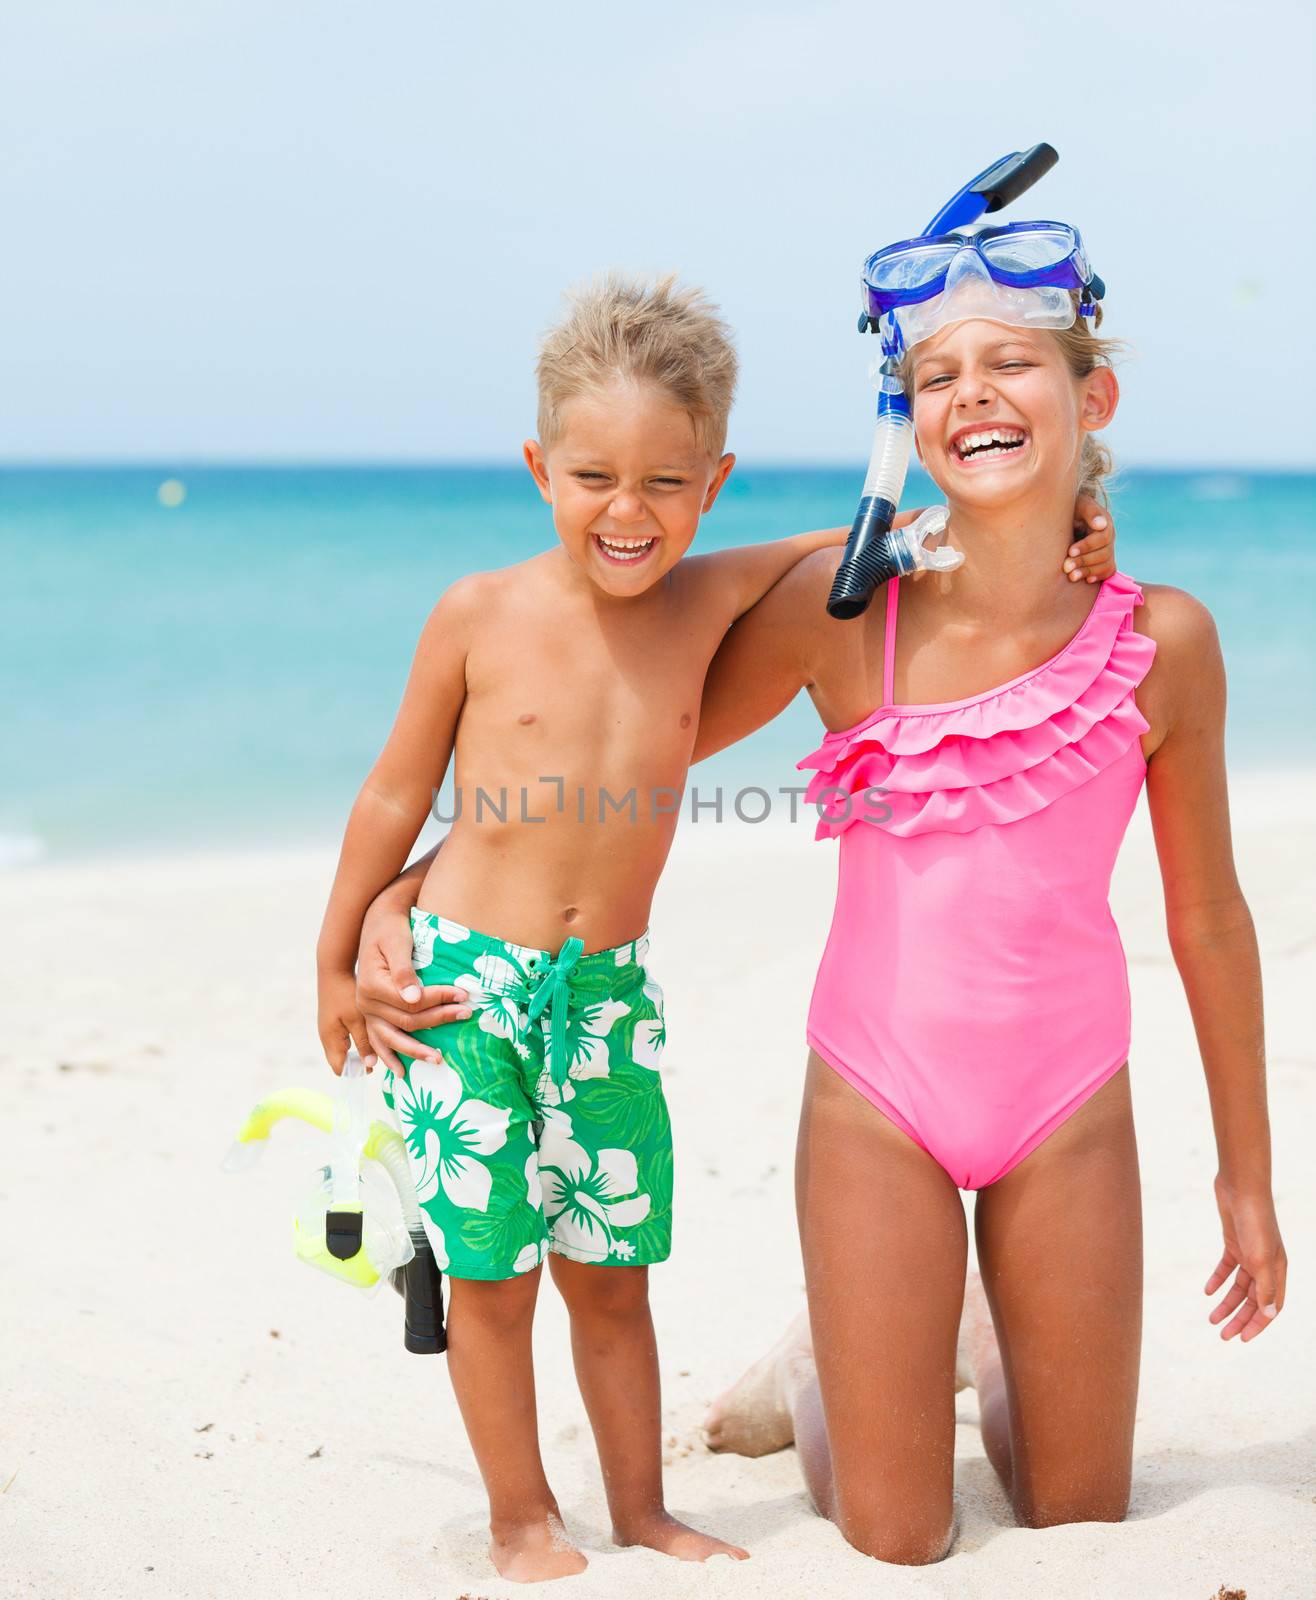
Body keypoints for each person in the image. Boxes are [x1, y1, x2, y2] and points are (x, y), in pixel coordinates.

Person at [322, 274, 1116, 1582]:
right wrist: (347, 939)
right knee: (493, 1280)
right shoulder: (479, 612)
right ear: (538, 468)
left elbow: (861, 542)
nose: (627, 513)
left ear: (714, 479)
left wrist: (1076, 512)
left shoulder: (703, 605)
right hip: (461, 990)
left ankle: (639, 1512)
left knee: (616, 1275)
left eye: (665, 484)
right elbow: (395, 790)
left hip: (605, 998)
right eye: (593, 478)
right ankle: (523, 1517)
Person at [695, 230, 1287, 1564]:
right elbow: (645, 726)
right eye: (935, 378)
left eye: (1011, 363)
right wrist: (428, 873)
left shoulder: (1165, 644)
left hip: (1069, 1104)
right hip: (877, 1099)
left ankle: (970, 1336)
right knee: (895, 1538)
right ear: (905, 430)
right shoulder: (852, 616)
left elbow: (1209, 920)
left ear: (1093, 399)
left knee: (1078, 1513)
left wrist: (1246, 1178)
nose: (971, 391)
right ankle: (818, 1374)